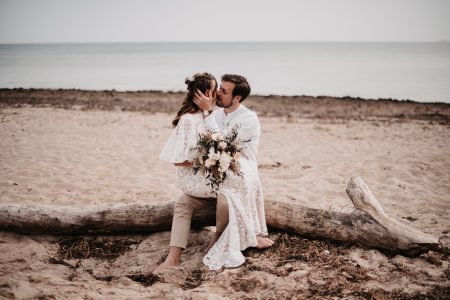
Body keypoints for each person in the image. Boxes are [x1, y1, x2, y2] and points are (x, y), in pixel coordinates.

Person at [156, 73, 273, 272]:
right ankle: (173, 257)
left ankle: (219, 237)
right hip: (213, 180)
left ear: (237, 98)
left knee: (226, 196)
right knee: (183, 202)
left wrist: (208, 114)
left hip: (240, 180)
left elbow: (224, 148)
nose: (218, 93)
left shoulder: (248, 119)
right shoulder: (212, 113)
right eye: (218, 88)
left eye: (224, 91)